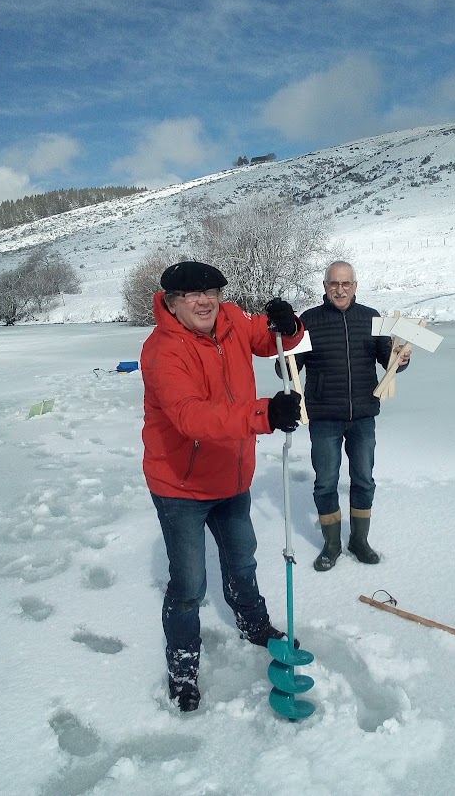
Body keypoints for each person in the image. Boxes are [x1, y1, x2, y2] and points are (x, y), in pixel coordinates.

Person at [140, 261, 303, 712]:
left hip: (231, 477)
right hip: (181, 486)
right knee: (190, 583)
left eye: (211, 290)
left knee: (242, 560)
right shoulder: (161, 352)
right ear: (171, 302)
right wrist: (264, 415)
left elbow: (273, 340)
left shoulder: (230, 318)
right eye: (192, 294)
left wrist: (288, 325)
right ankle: (184, 664)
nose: (205, 300)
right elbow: (191, 417)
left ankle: (254, 625)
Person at [285, 261, 409, 571]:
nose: (340, 289)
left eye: (346, 284)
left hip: (363, 414)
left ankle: (359, 541)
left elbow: (388, 360)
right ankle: (331, 544)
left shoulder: (371, 318)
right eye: (333, 284)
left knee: (364, 480)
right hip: (325, 414)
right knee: (326, 482)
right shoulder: (308, 321)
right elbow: (288, 369)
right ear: (325, 286)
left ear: (355, 286)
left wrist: (401, 359)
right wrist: (283, 351)